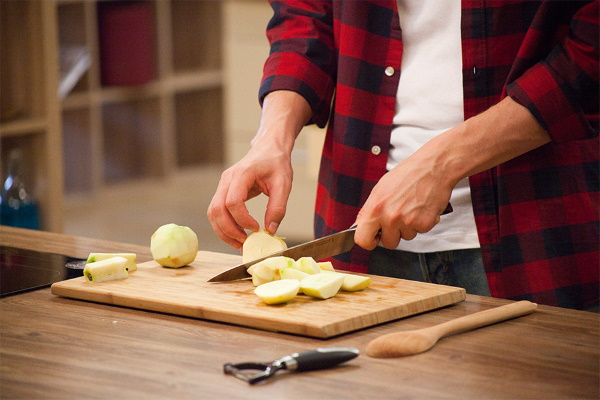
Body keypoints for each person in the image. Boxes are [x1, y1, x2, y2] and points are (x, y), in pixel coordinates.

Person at [208, 1, 599, 310]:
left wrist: (441, 163)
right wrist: (272, 137)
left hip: (540, 237)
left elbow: (591, 51)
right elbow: (305, 16)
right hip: (360, 236)